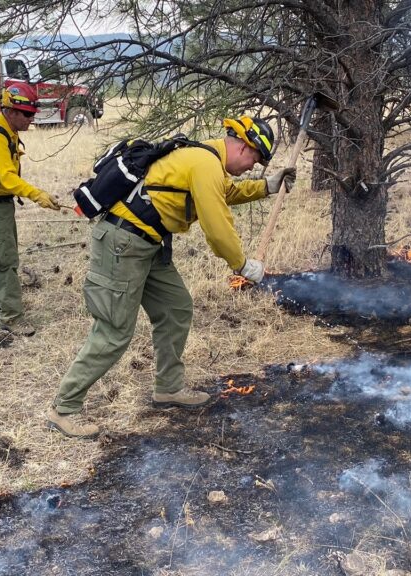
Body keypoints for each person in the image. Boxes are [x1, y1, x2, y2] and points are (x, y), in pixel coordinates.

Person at [47, 115, 296, 438]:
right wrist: (242, 264)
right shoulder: (205, 162)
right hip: (124, 244)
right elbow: (218, 228)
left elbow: (223, 194)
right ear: (243, 146)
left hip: (149, 245)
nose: (253, 166)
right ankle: (63, 408)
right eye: (255, 159)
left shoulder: (207, 159)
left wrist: (268, 186)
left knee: (175, 308)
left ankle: (168, 387)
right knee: (114, 330)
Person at [0, 84, 61, 336]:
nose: (31, 120)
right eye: (27, 114)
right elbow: (7, 177)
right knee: (3, 261)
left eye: (33, 114)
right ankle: (11, 318)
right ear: (10, 111)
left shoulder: (5, 130)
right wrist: (37, 195)